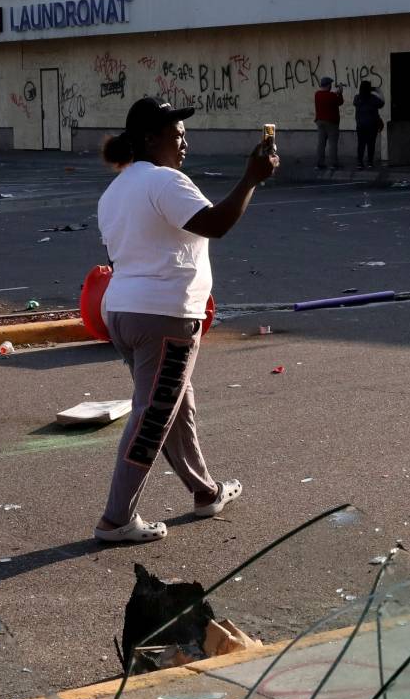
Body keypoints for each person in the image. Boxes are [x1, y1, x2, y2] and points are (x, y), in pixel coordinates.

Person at [93, 97, 279, 543]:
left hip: (123, 312)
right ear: (149, 139)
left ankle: (205, 492)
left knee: (175, 407)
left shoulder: (117, 188)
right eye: (176, 134)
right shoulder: (165, 182)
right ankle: (117, 519)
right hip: (164, 318)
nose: (184, 142)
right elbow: (215, 223)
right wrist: (251, 179)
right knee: (153, 417)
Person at [313, 76, 344, 169]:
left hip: (320, 121)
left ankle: (320, 163)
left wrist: (336, 94)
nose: (331, 86)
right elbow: (340, 102)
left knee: (321, 144)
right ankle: (333, 163)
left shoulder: (317, 94)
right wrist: (340, 93)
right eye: (330, 84)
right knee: (332, 144)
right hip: (331, 122)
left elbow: (328, 97)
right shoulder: (332, 96)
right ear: (328, 85)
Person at [353, 80, 384, 168]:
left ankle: (360, 162)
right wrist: (379, 91)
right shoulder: (373, 98)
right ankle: (370, 162)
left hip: (360, 125)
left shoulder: (357, 98)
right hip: (371, 125)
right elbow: (382, 103)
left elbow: (354, 103)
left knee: (361, 144)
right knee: (371, 144)